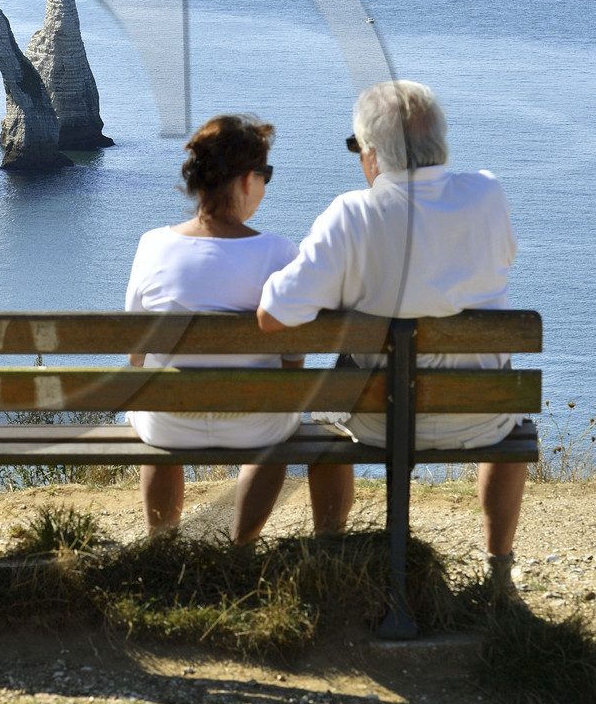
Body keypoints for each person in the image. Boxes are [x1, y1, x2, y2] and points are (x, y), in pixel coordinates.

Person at [257, 80, 523, 588]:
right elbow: (503, 260)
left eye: (357, 148)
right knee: (508, 426)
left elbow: (272, 315)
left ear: (372, 153)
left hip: (374, 420)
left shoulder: (351, 215)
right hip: (480, 416)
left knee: (326, 418)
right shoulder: (487, 194)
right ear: (440, 143)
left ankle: (332, 555)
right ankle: (497, 574)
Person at [123, 113, 305, 544]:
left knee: (150, 400)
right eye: (265, 174)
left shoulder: (153, 245)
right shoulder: (279, 252)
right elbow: (293, 358)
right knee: (283, 423)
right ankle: (241, 545)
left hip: (168, 421)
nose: (264, 186)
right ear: (246, 180)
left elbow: (136, 353)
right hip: (254, 423)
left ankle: (161, 541)